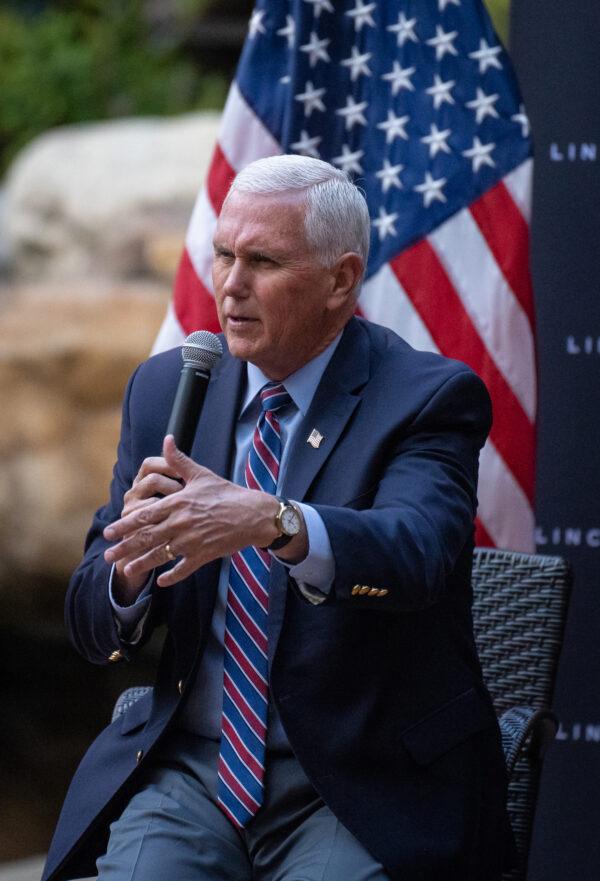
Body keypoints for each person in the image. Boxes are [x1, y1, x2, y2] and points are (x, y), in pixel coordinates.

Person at [43, 155, 511, 881]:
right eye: (225, 254)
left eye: (263, 261)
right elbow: (89, 615)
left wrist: (272, 520)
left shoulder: (427, 397)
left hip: (354, 778)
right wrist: (127, 574)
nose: (230, 285)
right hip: (192, 773)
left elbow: (417, 553)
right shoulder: (170, 387)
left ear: (341, 280)